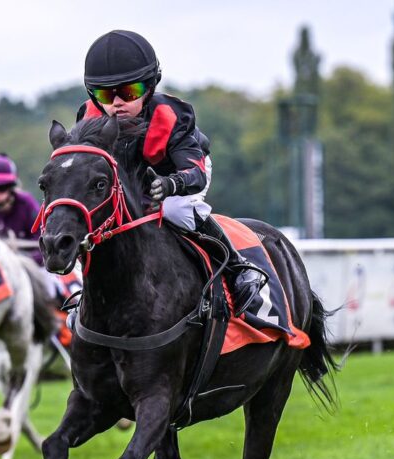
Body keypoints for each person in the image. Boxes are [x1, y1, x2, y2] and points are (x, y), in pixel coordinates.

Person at [76, 30, 266, 315]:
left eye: (129, 93)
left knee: (175, 210)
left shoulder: (172, 117)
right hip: (127, 182)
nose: (117, 103)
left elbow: (195, 174)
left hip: (180, 174)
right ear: (94, 94)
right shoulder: (88, 119)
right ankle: (86, 301)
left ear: (150, 87)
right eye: (106, 94)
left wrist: (169, 184)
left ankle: (240, 271)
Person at [0, 154, 43, 266]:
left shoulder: (26, 204)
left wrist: (20, 261)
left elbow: (44, 244)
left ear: (11, 187)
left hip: (28, 265)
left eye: (0, 188)